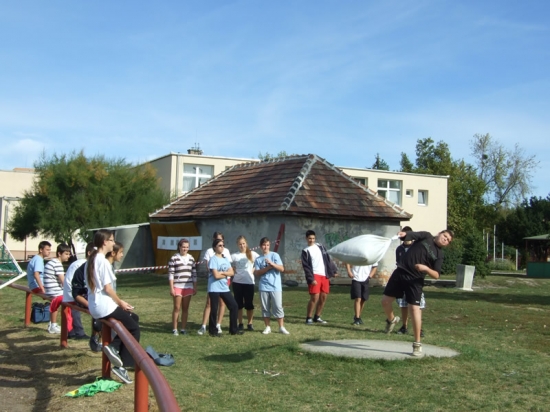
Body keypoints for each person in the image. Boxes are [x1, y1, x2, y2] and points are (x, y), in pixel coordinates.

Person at [381, 229, 454, 357]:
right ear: (439, 234)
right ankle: (392, 320)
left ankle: (417, 344)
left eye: (448, 240)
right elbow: (412, 235)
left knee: (414, 309)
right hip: (400, 272)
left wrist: (426, 268)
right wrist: (404, 234)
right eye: (445, 236)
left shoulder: (439, 254)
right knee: (385, 302)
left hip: (415, 280)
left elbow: (436, 275)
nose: (445, 239)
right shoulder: (427, 236)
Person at [85, 229, 139, 384]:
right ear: (105, 242)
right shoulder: (102, 261)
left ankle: (115, 350)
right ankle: (121, 362)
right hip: (104, 306)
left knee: (133, 318)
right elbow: (108, 289)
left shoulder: (91, 259)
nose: (113, 243)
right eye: (112, 240)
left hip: (95, 305)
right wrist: (120, 302)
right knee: (134, 328)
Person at [198, 232, 233, 335]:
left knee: (224, 303)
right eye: (218, 240)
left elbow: (230, 270)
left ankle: (218, 325)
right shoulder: (210, 252)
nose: (221, 244)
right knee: (211, 305)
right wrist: (223, 273)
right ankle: (205, 326)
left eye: (222, 241)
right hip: (214, 284)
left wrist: (224, 274)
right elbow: (212, 271)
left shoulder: (226, 253)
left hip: (224, 283)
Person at [254, 237, 289, 335]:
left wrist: (272, 264)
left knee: (278, 306)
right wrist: (268, 268)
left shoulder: (275, 255)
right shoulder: (258, 259)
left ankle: (281, 327)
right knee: (265, 307)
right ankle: (267, 327)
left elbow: (282, 269)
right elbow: (257, 273)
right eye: (264, 245)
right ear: (261, 246)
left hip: (275, 286)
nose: (266, 247)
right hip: (263, 286)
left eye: (267, 245)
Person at [71, 245, 104, 352]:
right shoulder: (80, 271)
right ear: (90, 254)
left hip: (97, 299)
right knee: (97, 307)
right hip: (83, 298)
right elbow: (76, 294)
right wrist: (89, 305)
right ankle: (96, 337)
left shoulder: (102, 269)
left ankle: (103, 339)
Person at [301, 230, 337, 325]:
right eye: (310, 238)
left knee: (323, 297)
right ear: (306, 238)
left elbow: (328, 259)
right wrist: (311, 279)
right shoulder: (305, 251)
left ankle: (317, 316)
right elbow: (306, 267)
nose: (311, 240)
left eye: (313, 238)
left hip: (324, 275)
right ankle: (309, 318)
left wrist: (333, 271)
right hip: (315, 275)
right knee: (315, 297)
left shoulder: (320, 247)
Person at [394, 226, 425, 337]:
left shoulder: (416, 247)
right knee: (403, 304)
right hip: (403, 279)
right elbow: (398, 263)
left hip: (414, 279)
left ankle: (419, 328)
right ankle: (404, 326)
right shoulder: (399, 249)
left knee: (417, 305)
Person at [207, 238, 241, 337]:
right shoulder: (213, 259)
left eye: (223, 245)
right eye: (220, 245)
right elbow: (216, 276)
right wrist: (226, 274)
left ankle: (233, 329)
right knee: (214, 309)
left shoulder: (225, 259)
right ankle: (213, 331)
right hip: (214, 287)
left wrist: (223, 273)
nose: (222, 247)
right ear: (214, 247)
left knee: (234, 306)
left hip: (224, 287)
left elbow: (232, 272)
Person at [62, 242, 94, 340]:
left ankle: (73, 332)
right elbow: (76, 282)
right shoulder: (83, 264)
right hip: (72, 292)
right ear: (89, 253)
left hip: (70, 291)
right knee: (77, 310)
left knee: (75, 312)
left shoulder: (79, 263)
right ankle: (79, 333)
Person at [168, 238, 197, 336]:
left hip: (188, 286)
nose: (185, 249)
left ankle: (183, 328)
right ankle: (174, 329)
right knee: (177, 307)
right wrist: (171, 288)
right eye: (183, 247)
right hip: (177, 286)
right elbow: (171, 274)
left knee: (185, 308)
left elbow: (194, 273)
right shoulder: (174, 258)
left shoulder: (191, 258)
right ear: (179, 247)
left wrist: (195, 286)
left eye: (187, 247)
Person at [231, 235, 259, 332]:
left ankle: (250, 323)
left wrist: (254, 269)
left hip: (249, 282)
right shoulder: (234, 256)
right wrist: (232, 269)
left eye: (243, 243)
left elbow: (260, 261)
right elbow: (227, 264)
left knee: (249, 304)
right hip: (237, 282)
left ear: (246, 243)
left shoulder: (252, 254)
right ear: (237, 245)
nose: (242, 246)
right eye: (240, 244)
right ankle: (240, 323)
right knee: (239, 304)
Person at [43, 244, 72, 334]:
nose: (68, 256)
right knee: (72, 300)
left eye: (69, 254)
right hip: (54, 291)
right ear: (59, 254)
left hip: (49, 290)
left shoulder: (52, 262)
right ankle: (56, 325)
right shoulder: (57, 264)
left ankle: (52, 323)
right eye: (66, 254)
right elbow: (64, 282)